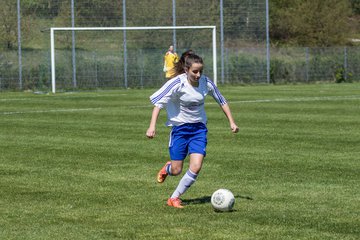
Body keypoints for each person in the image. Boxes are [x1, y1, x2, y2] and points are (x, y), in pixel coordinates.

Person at [146, 51, 239, 209]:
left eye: (200, 71)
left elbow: (221, 100)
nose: (198, 75)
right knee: (176, 170)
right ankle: (167, 168)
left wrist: (232, 122)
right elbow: (158, 104)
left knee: (196, 166)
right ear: (186, 70)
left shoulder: (205, 82)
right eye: (195, 71)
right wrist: (152, 126)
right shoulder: (177, 83)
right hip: (180, 131)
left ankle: (174, 198)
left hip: (199, 130)